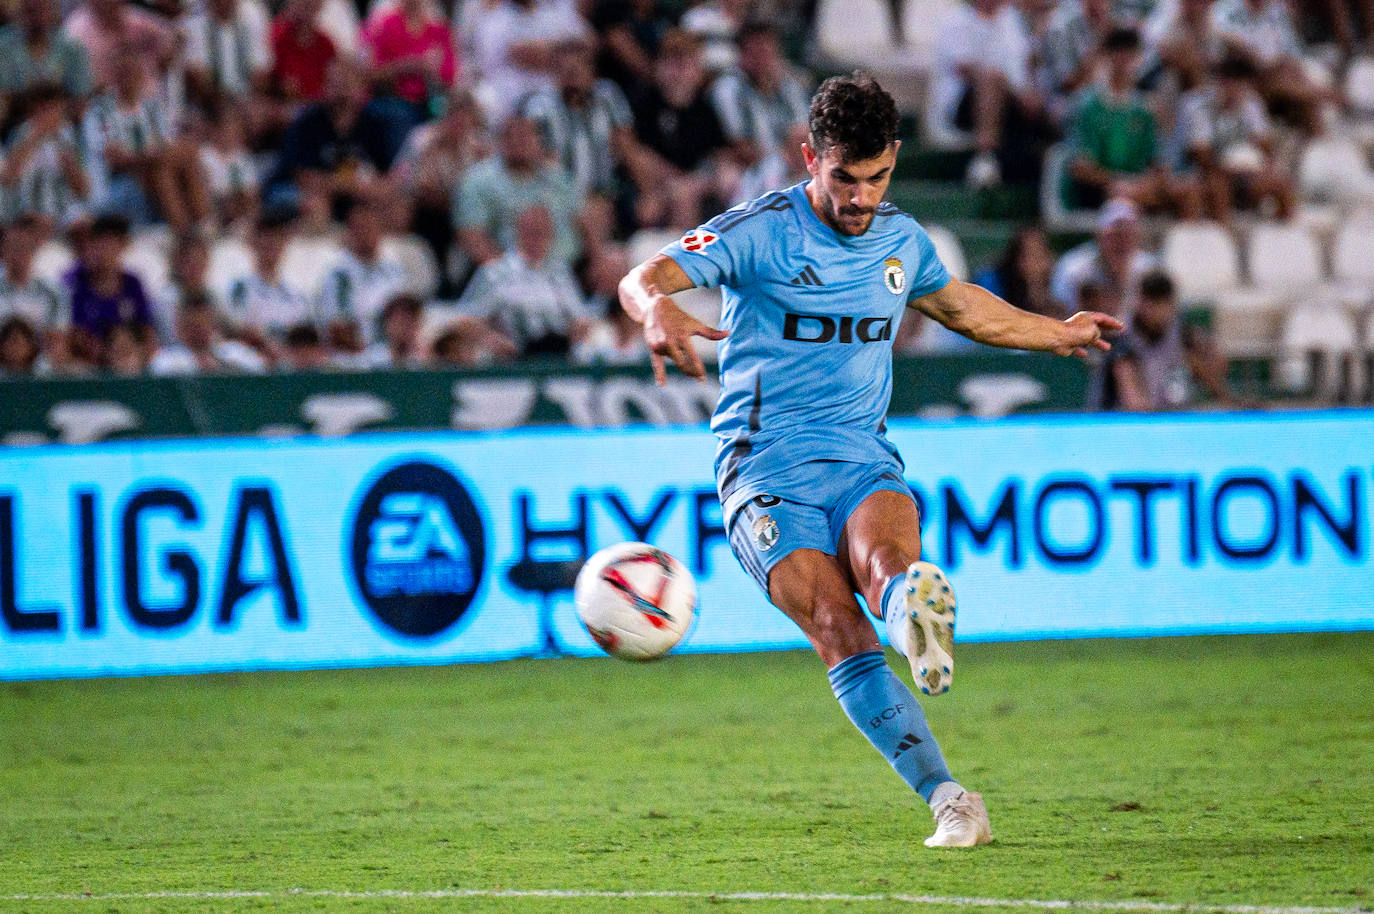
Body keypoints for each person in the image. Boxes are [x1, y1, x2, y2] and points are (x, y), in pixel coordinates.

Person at [617, 73, 1120, 848]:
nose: (860, 198)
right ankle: (952, 800)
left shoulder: (900, 240)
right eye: (844, 179)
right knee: (835, 624)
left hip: (860, 455)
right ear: (809, 156)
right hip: (762, 469)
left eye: (877, 178)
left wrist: (1062, 332)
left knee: (889, 563)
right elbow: (643, 275)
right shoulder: (759, 230)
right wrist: (655, 308)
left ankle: (913, 609)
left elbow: (960, 307)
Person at [1092, 269, 1233, 409]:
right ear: (1140, 302)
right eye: (1150, 304)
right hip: (1118, 418)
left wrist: (1226, 399)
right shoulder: (1122, 333)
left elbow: (1213, 371)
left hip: (1162, 416)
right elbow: (1132, 397)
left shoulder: (1180, 332)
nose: (1154, 311)